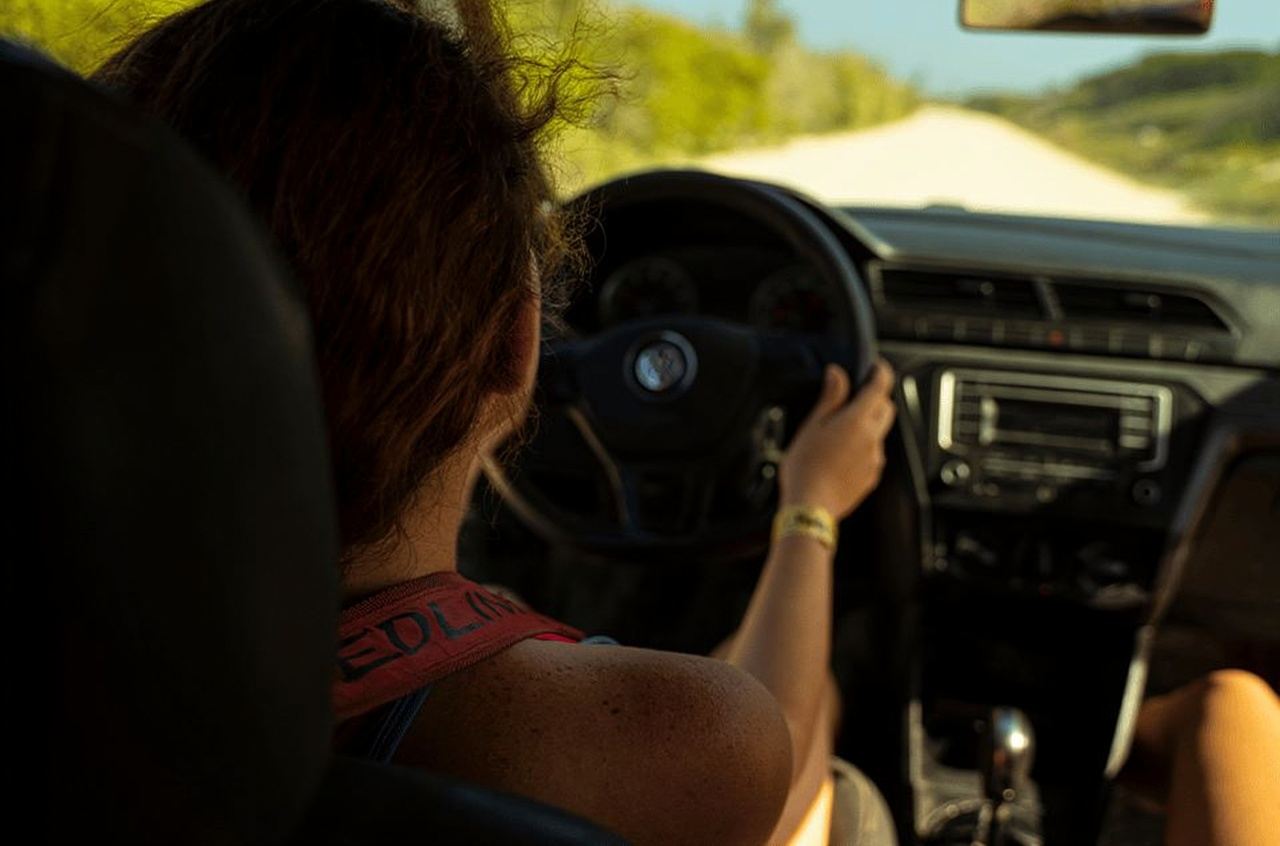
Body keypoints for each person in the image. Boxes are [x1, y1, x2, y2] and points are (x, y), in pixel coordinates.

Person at [94, 1, 898, 843]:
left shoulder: (80, 662)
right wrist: (811, 509)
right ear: (517, 348)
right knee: (833, 779)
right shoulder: (683, 737)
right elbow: (777, 746)